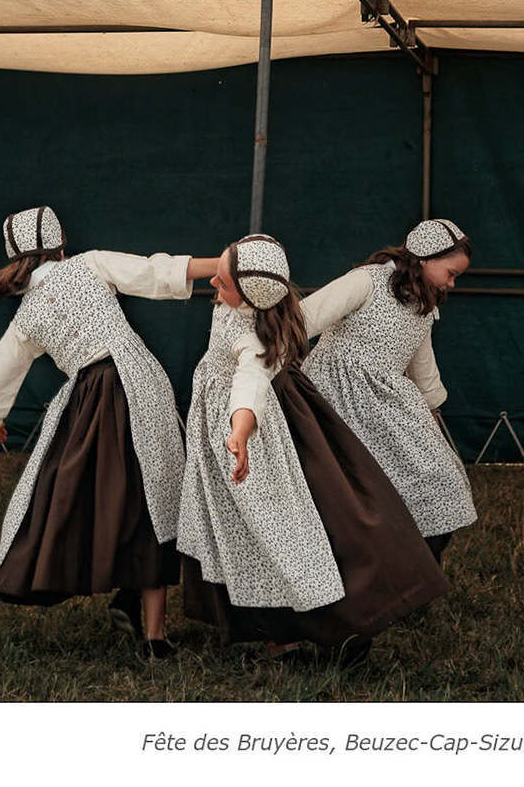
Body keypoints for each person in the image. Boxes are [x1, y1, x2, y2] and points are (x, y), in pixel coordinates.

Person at [176, 233, 449, 664]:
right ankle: (282, 636)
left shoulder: (251, 337)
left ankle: (331, 625)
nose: (213, 284)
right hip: (267, 416)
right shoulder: (245, 303)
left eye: (223, 282)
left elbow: (250, 382)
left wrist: (240, 430)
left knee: (277, 527)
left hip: (256, 428)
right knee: (261, 527)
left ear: (248, 296)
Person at [0, 205, 219, 659]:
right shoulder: (90, 264)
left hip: (90, 401)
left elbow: (0, 374)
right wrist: (222, 265)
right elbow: (154, 273)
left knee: (105, 494)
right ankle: (155, 637)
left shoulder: (27, 316)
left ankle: (125, 594)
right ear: (60, 246)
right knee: (154, 495)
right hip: (137, 386)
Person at [300, 218, 477, 561]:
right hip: (336, 399)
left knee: (440, 479)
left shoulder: (424, 301)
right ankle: (369, 568)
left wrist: (431, 409)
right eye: (451, 273)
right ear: (425, 258)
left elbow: (422, 363)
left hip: (387, 402)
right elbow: (306, 317)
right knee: (359, 491)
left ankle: (416, 571)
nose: (451, 283)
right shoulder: (367, 280)